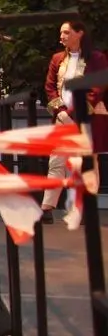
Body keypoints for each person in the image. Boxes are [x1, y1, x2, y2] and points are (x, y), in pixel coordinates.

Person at [44, 20, 108, 216]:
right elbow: (50, 87)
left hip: (87, 118)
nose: (61, 36)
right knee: (56, 161)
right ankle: (47, 207)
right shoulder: (57, 59)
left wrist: (73, 113)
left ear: (79, 33)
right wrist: (61, 112)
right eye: (61, 33)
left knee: (88, 164)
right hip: (62, 118)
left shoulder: (97, 58)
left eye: (66, 32)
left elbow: (97, 88)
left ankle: (87, 208)